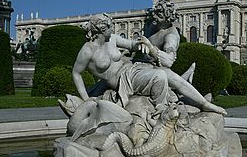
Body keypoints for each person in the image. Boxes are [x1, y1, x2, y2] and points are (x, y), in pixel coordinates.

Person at [72, 15, 226, 115]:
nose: (113, 29)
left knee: (170, 75)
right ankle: (160, 111)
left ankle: (204, 104)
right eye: (110, 27)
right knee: (159, 76)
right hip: (122, 80)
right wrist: (86, 99)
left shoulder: (111, 38)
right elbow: (76, 73)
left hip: (132, 67)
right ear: (100, 29)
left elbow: (131, 44)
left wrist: (142, 43)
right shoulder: (87, 51)